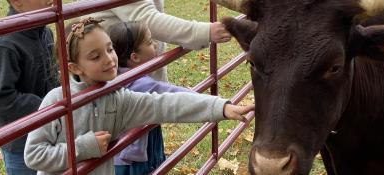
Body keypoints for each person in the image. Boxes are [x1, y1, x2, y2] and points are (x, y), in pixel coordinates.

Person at [24, 18, 254, 175]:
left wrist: (221, 107)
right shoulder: (56, 101)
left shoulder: (118, 98)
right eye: (95, 57)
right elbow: (34, 155)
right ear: (75, 68)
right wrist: (84, 147)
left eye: (109, 49)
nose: (109, 59)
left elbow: (166, 104)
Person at [107, 21, 195, 174]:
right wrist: (213, 102)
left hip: (131, 151)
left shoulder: (118, 76)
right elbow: (175, 95)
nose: (154, 44)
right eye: (149, 42)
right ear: (135, 57)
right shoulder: (140, 85)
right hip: (132, 160)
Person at [0, 0, 57, 175]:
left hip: (49, 130)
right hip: (20, 144)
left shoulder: (45, 33)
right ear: (17, 2)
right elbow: (1, 98)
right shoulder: (4, 46)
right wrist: (47, 106)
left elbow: (53, 75)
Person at [77, 0, 232, 82]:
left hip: (133, 75)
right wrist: (203, 32)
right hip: (122, 82)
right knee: (131, 138)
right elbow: (148, 19)